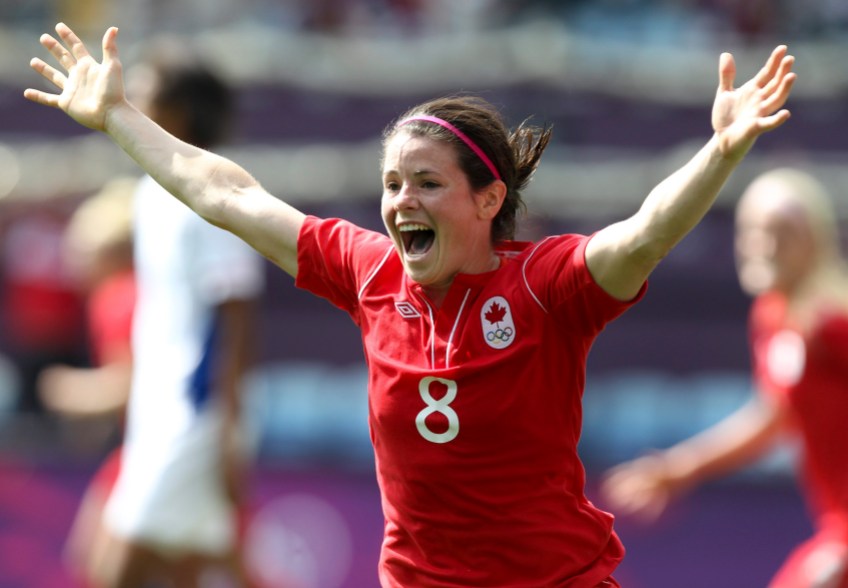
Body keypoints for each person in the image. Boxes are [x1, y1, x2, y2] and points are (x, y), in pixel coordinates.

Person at [25, 22, 795, 587]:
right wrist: (121, 119)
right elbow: (226, 193)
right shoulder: (368, 273)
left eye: (427, 183)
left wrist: (719, 152)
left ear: (489, 197)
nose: (401, 203)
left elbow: (646, 232)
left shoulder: (549, 286)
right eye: (393, 184)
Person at [30, 34, 266, 588]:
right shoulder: (151, 193)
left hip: (194, 421)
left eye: (142, 92)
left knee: (116, 568)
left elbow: (235, 318)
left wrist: (229, 431)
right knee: (192, 570)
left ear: (177, 112)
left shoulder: (213, 192)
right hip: (162, 416)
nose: (127, 99)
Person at [601, 168, 848, 588]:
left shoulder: (831, 323)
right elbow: (775, 416)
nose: (764, 244)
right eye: (752, 230)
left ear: (814, 238)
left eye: (782, 231)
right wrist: (679, 469)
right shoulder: (775, 316)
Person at [36, 176, 137, 587]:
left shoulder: (117, 297)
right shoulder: (135, 292)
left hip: (153, 452)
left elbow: (129, 386)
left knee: (98, 565)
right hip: (154, 448)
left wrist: (66, 391)